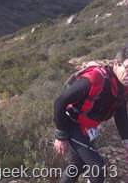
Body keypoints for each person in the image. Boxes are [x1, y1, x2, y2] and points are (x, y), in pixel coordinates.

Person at [53, 45, 128, 183]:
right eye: (127, 68)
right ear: (116, 64)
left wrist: (126, 140)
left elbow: (120, 112)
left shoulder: (123, 88)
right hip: (71, 124)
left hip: (87, 128)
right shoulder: (95, 79)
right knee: (98, 169)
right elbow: (60, 102)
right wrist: (60, 135)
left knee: (77, 165)